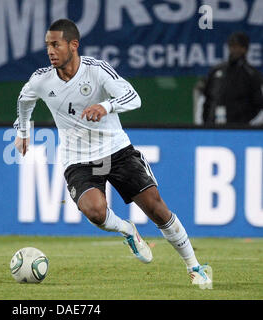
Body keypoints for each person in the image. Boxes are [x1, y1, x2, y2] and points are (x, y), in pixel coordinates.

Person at [14, 19, 212, 288]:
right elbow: (24, 100)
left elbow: (134, 97)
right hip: (78, 159)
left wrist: (106, 106)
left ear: (73, 45)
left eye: (55, 44)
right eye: (48, 45)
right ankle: (127, 229)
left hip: (116, 151)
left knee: (157, 210)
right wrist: (23, 130)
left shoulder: (96, 70)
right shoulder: (41, 79)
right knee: (95, 212)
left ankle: (195, 267)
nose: (50, 50)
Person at [194, 31, 263, 125]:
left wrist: (249, 126)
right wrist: (203, 124)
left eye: (238, 47)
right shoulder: (216, 71)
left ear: (245, 49)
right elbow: (206, 99)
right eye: (232, 46)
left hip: (240, 128)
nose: (234, 50)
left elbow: (259, 104)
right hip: (214, 126)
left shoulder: (252, 74)